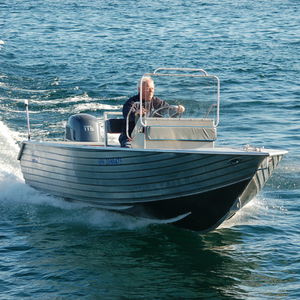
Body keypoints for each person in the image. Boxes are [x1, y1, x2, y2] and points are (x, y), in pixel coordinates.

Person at [119, 76, 185, 147]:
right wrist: (136, 113)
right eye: (148, 89)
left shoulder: (158, 102)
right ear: (139, 89)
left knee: (175, 143)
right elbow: (127, 115)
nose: (151, 91)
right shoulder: (131, 103)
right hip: (130, 136)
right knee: (129, 146)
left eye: (152, 88)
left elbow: (169, 111)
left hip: (152, 136)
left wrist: (178, 110)